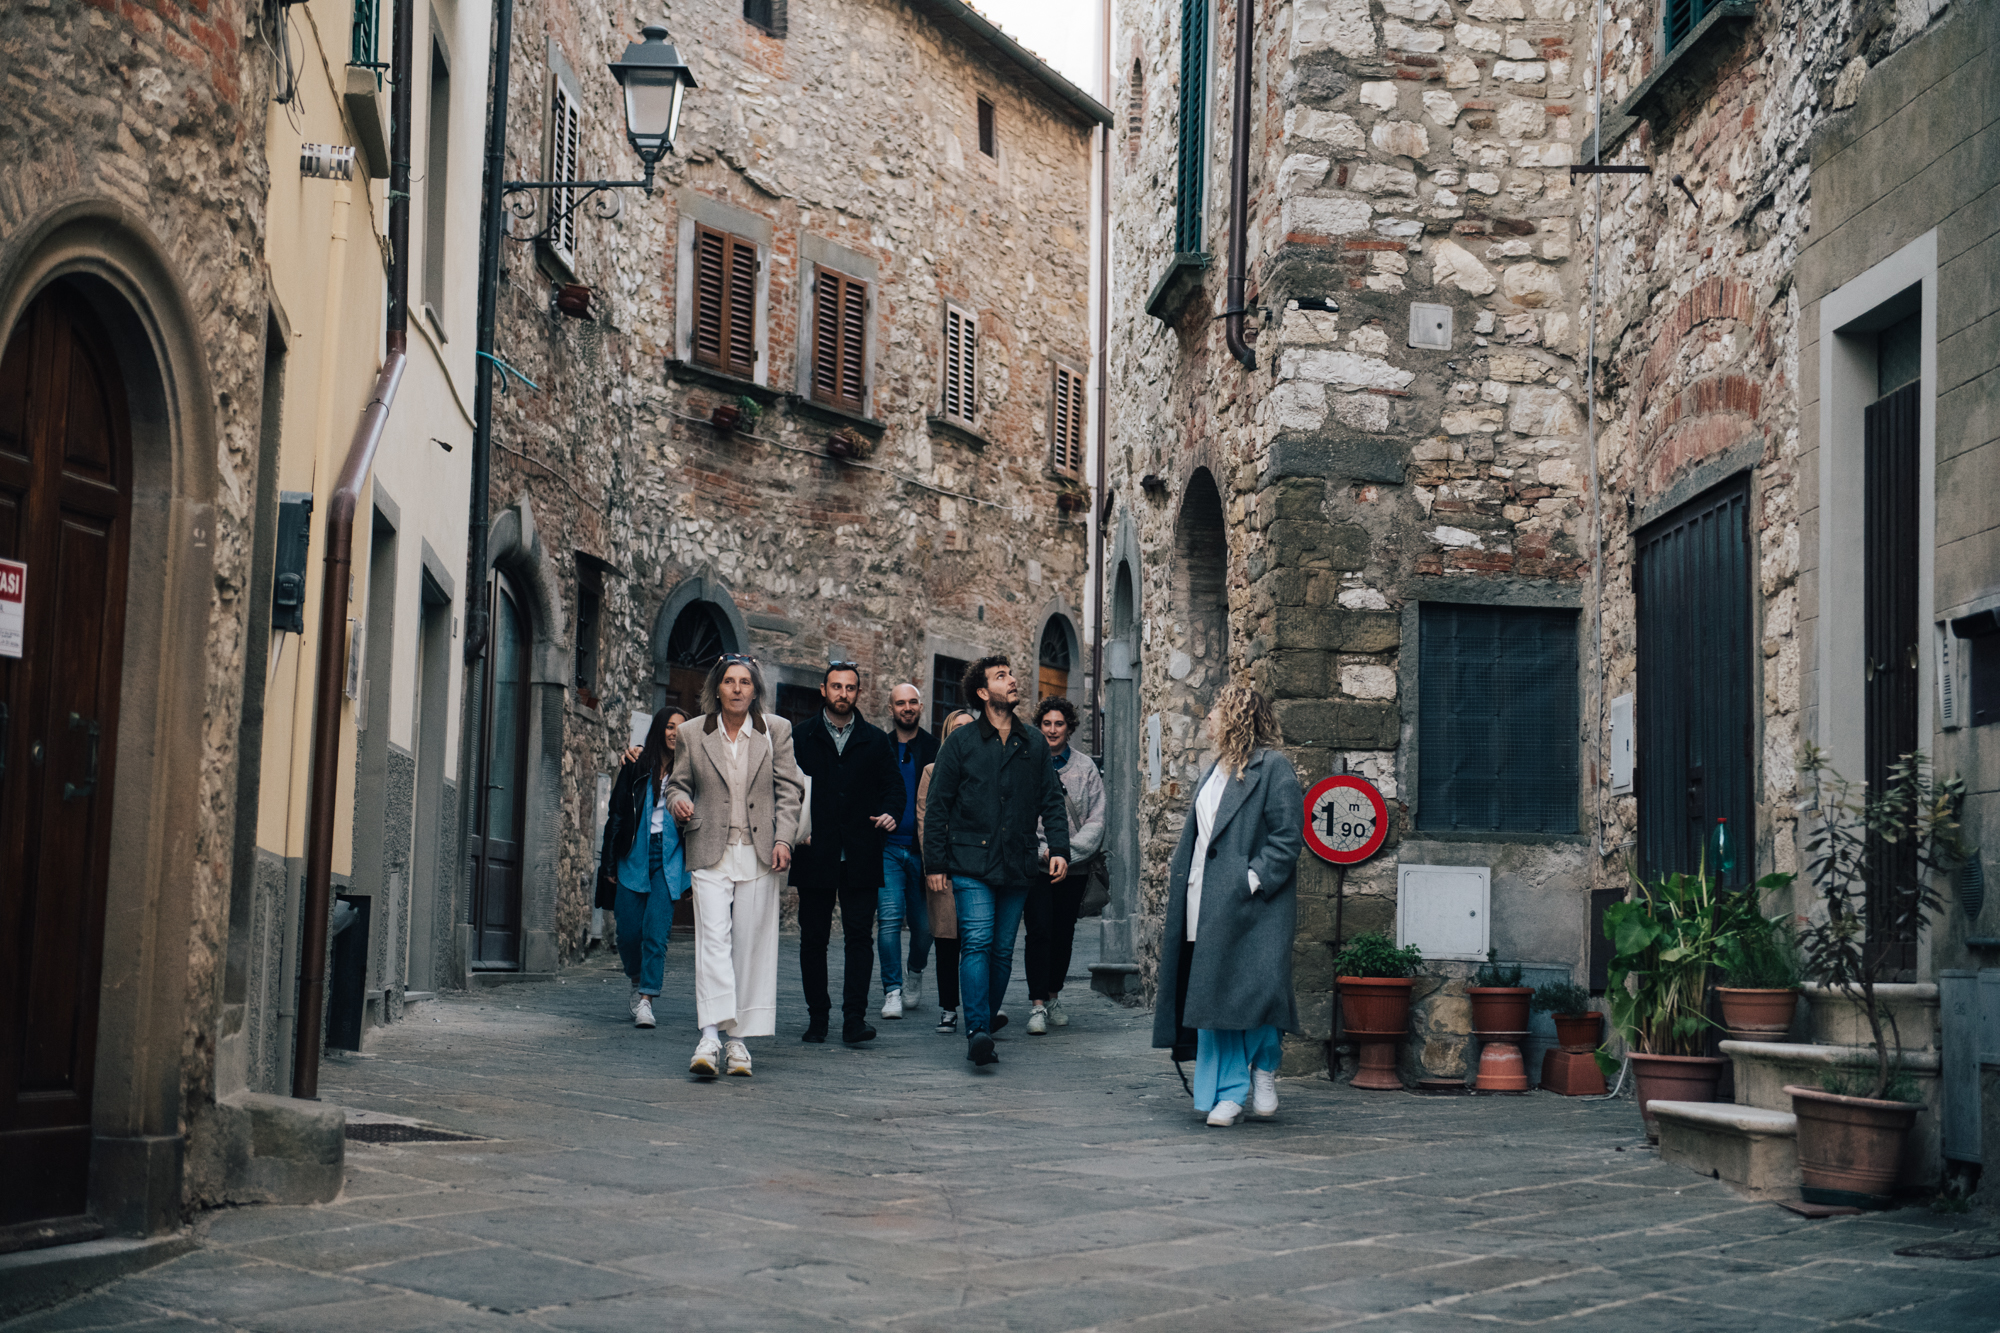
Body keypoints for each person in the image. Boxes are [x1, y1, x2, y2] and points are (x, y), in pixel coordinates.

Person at [1151, 682, 1304, 1126]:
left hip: (1253, 904)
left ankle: (1265, 1068)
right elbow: (1202, 836)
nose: (1210, 717)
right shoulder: (1212, 769)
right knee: (1214, 995)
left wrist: (1250, 880)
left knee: (1257, 990)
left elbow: (1287, 837)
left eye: (1217, 709)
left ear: (1237, 716)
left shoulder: (1274, 768)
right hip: (1204, 898)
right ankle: (1230, 1093)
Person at [924, 656, 1070, 1067]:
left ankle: (984, 1021)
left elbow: (1051, 800)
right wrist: (935, 864)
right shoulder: (961, 743)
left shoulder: (1034, 742)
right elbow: (937, 807)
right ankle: (976, 1030)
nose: (1013, 680)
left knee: (1003, 949)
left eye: (1012, 674)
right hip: (970, 861)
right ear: (983, 692)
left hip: (1019, 861)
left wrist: (1058, 848)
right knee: (977, 941)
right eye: (1001, 676)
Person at [666, 655, 803, 1079]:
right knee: (713, 941)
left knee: (750, 944)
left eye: (746, 682)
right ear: (718, 688)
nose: (738, 689)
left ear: (755, 689)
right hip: (710, 847)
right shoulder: (692, 732)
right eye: (730, 681)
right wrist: (679, 802)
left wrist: (784, 838)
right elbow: (677, 782)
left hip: (760, 848)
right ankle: (709, 1036)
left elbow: (789, 788)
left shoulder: (775, 730)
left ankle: (738, 1041)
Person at [790, 661, 904, 1045]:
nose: (843, 694)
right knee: (813, 939)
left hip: (861, 852)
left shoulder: (875, 740)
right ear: (823, 690)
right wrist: (792, 830)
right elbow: (785, 790)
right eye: (836, 687)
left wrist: (891, 813)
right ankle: (817, 1018)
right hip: (814, 851)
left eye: (850, 688)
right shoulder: (800, 736)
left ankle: (854, 1019)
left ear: (859, 693)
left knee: (860, 938)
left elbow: (894, 788)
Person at [596, 709, 691, 1029]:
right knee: (628, 933)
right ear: (658, 731)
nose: (674, 733)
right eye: (668, 726)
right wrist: (609, 861)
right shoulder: (635, 765)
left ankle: (647, 1000)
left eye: (680, 728)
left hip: (670, 856)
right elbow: (617, 814)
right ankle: (637, 981)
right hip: (633, 855)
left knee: (655, 931)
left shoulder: (691, 771)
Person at [1024, 696, 1106, 1036]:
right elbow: (1021, 819)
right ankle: (1037, 1005)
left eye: (1059, 724)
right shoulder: (1027, 765)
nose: (1053, 729)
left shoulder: (1085, 768)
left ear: (1069, 728)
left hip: (1073, 869)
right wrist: (1045, 853)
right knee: (1039, 932)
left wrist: (1065, 854)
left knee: (1063, 935)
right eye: (1047, 724)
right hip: (1038, 868)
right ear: (1039, 727)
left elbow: (1097, 820)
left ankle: (1054, 995)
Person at [878, 683, 938, 1019]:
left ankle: (915, 971)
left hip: (923, 850)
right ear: (891, 709)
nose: (907, 707)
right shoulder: (880, 746)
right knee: (887, 922)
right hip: (887, 849)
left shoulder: (933, 747)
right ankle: (892, 991)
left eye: (912, 702)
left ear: (921, 706)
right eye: (900, 703)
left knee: (925, 928)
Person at [915, 709, 974, 1032]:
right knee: (948, 942)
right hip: (945, 870)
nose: (963, 733)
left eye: (969, 727)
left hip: (979, 867)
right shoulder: (932, 771)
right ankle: (949, 1007)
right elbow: (926, 821)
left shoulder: (986, 768)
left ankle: (981, 1008)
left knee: (979, 943)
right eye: (957, 728)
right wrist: (934, 864)